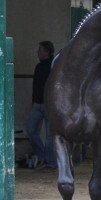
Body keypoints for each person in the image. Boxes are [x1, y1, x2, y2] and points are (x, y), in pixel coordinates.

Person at [26, 41, 57, 169]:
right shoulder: (38, 66)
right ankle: (43, 156)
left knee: (50, 136)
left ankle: (50, 163)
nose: (38, 52)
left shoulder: (53, 66)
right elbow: (36, 85)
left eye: (40, 50)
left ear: (46, 52)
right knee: (30, 130)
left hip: (48, 105)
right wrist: (33, 101)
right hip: (38, 104)